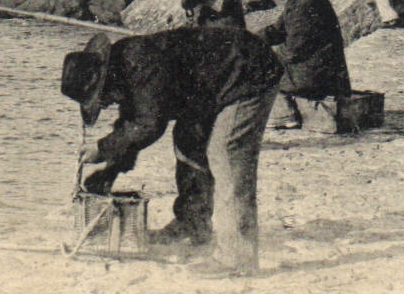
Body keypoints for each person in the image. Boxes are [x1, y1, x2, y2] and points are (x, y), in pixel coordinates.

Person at [62, 27, 282, 275]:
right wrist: (108, 172)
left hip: (248, 74)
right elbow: (131, 126)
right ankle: (193, 225)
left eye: (101, 99)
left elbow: (148, 125)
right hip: (212, 85)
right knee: (188, 141)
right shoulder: (124, 67)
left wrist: (102, 149)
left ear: (103, 78)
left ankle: (237, 258)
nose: (107, 103)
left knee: (226, 153)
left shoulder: (140, 63)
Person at [258, 0, 351, 131]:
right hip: (314, 66)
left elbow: (293, 50)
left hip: (319, 72)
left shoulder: (305, 2)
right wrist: (251, 40)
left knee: (260, 65)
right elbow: (277, 30)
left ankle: (284, 116)